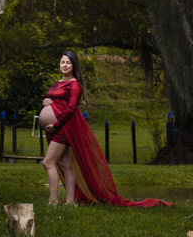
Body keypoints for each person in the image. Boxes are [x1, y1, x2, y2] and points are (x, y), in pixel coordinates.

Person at [40, 50, 171, 207]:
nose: (65, 65)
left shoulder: (75, 85)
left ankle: (53, 201)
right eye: (63, 62)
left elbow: (71, 108)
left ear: (74, 66)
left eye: (68, 62)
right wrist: (47, 101)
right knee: (65, 165)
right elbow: (55, 99)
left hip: (64, 128)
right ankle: (70, 201)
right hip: (58, 127)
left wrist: (55, 125)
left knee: (48, 162)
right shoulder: (59, 83)